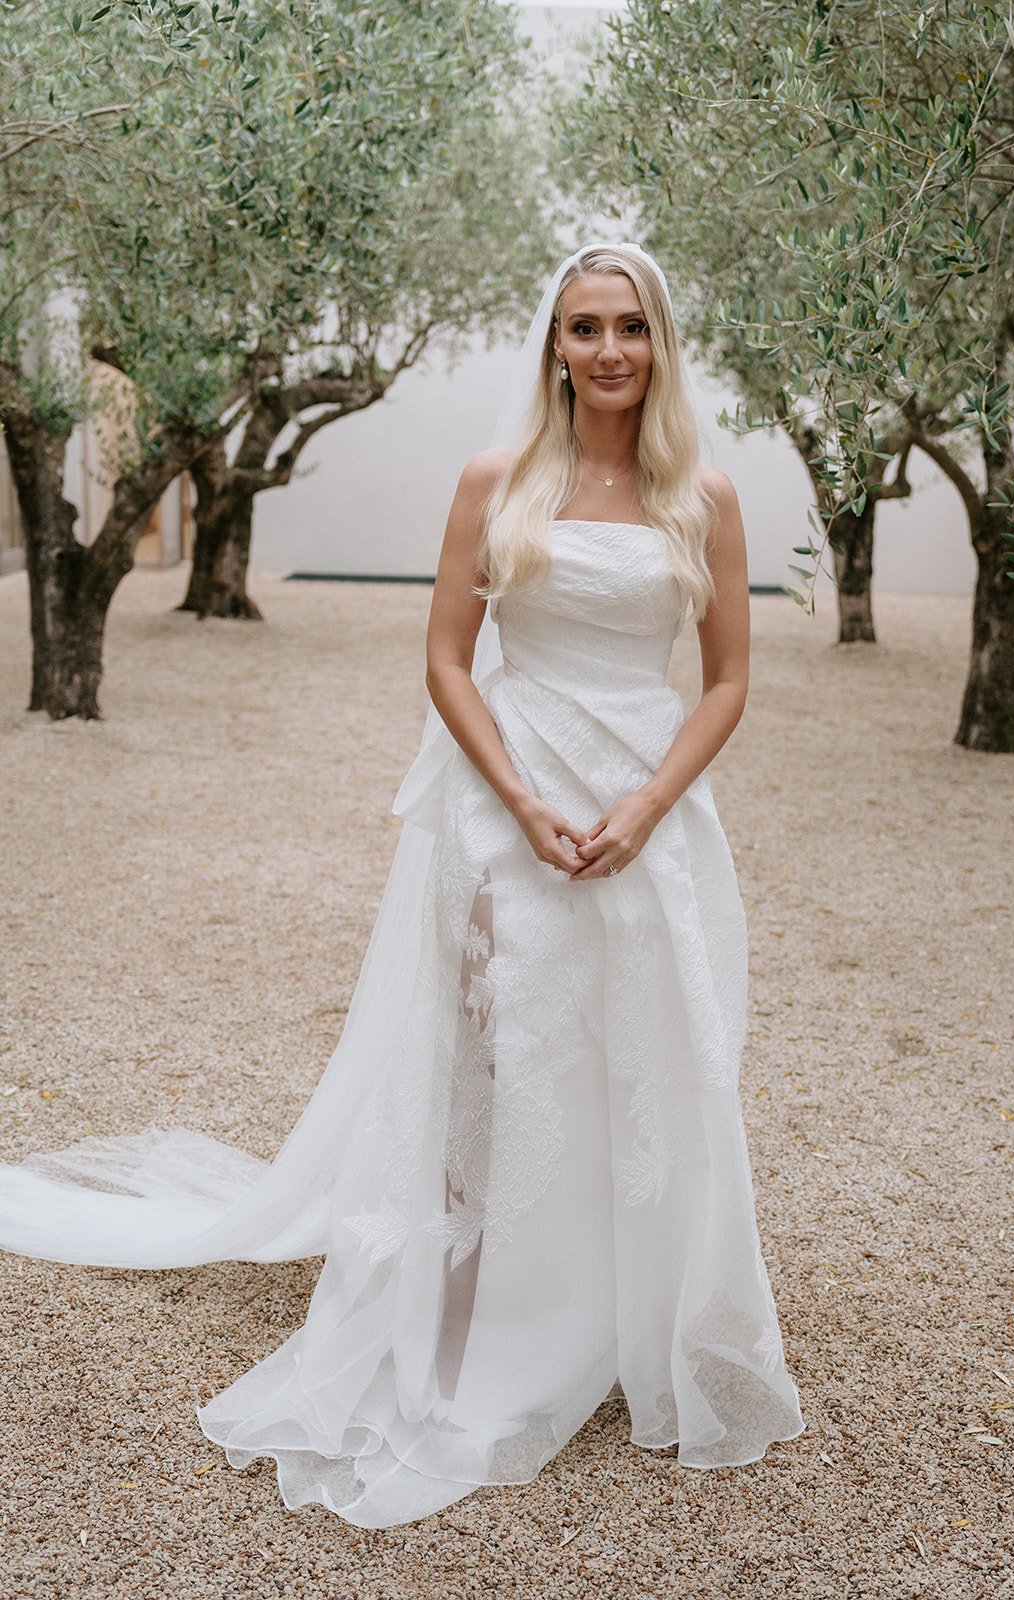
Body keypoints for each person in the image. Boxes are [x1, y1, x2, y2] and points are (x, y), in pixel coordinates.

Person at [0, 242, 804, 1527]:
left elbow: (725, 682)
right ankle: (472, 1342)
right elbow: (446, 660)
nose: (608, 350)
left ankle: (627, 1318)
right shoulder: (497, 480)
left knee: (651, 1056)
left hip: (648, 809)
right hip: (509, 799)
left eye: (631, 328)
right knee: (507, 1066)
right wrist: (524, 801)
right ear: (553, 344)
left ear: (660, 344)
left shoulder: (700, 492)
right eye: (585, 327)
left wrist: (646, 810)